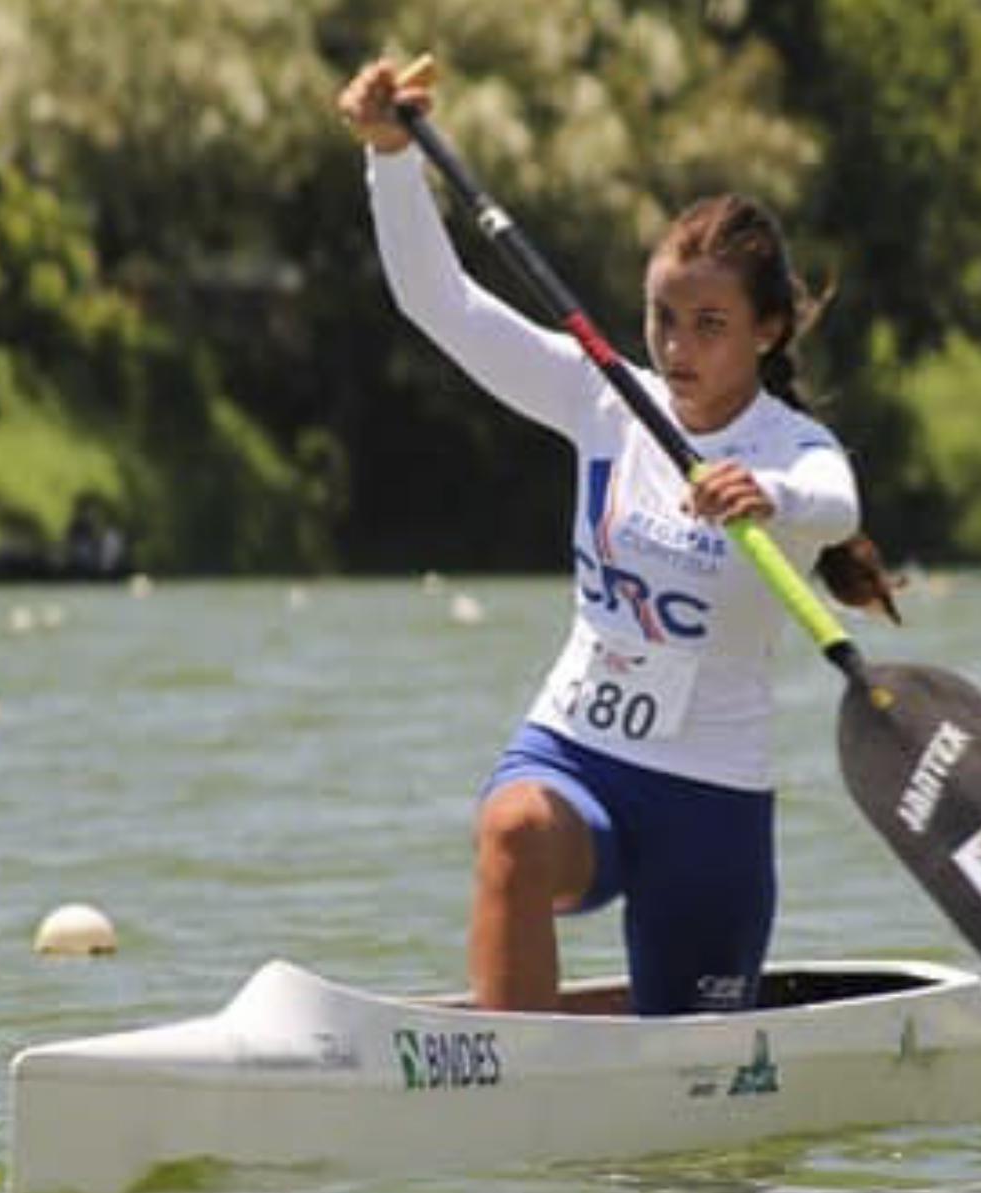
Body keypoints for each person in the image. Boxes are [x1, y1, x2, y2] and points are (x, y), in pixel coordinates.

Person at [336, 56, 898, 1016]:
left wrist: (761, 493)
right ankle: (511, 1083)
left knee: (696, 1072)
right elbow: (443, 305)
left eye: (710, 324)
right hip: (576, 749)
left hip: (709, 798)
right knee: (511, 828)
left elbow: (834, 501)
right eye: (663, 320)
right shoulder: (602, 398)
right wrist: (391, 160)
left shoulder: (793, 448)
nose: (677, 350)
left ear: (766, 331)